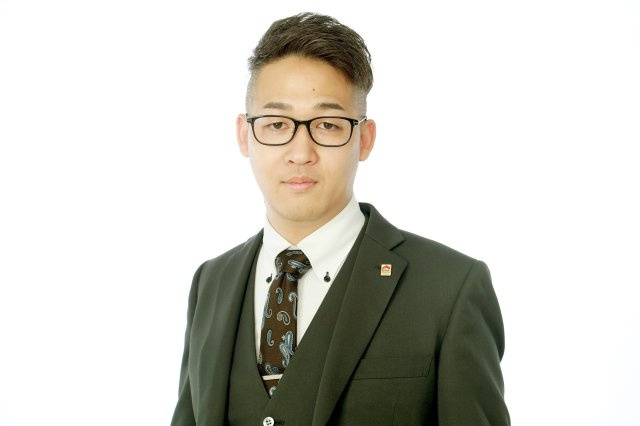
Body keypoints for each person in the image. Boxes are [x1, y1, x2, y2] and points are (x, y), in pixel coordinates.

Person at [171, 12, 509, 426]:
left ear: (364, 139)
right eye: (276, 124)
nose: (300, 153)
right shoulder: (210, 283)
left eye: (328, 125)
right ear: (244, 135)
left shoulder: (450, 287)